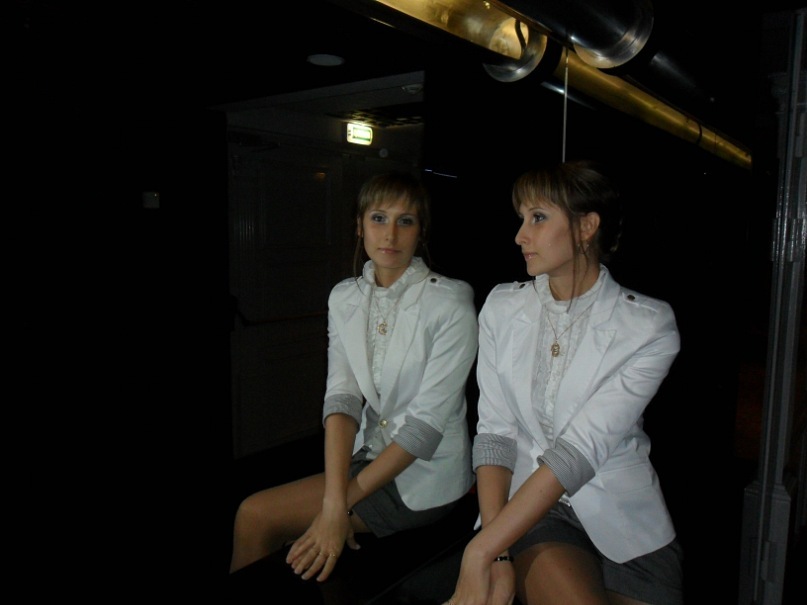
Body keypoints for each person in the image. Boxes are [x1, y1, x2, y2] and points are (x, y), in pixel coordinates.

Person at [444, 160, 683, 605]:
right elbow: (495, 434)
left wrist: (479, 550)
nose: (520, 235)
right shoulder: (502, 307)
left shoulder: (647, 326)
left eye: (537, 217)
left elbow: (582, 449)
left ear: (586, 227)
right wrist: (494, 550)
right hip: (529, 509)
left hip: (628, 521)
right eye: (521, 218)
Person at [229, 171, 479, 583]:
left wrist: (338, 506)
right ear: (359, 225)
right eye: (379, 218)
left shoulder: (449, 302)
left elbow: (424, 428)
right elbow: (342, 399)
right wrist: (334, 501)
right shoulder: (345, 297)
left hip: (424, 474)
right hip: (368, 456)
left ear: (421, 231)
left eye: (405, 221)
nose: (390, 234)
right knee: (272, 525)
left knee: (255, 516)